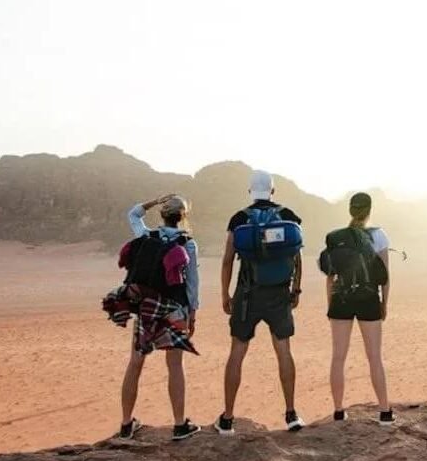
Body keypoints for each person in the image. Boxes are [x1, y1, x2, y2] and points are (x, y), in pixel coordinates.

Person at [216, 170, 304, 434]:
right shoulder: (288, 216)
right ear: (272, 191)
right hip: (279, 294)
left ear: (250, 191)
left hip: (247, 295)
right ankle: (291, 414)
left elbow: (227, 260)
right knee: (284, 351)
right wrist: (296, 290)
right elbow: (297, 258)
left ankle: (227, 419)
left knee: (237, 352)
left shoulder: (239, 218)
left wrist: (225, 294)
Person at [116, 193, 201, 441]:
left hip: (147, 308)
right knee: (175, 365)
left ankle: (126, 424)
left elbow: (133, 214)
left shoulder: (146, 236)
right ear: (182, 217)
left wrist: (154, 201)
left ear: (162, 215)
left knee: (135, 363)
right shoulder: (188, 244)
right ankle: (179, 425)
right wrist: (192, 313)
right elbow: (192, 283)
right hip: (175, 310)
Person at [323, 192, 394, 424]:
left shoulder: (336, 238)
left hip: (341, 299)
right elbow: (384, 276)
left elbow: (330, 277)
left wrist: (330, 304)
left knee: (338, 357)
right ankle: (384, 411)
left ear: (350, 210)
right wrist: (384, 304)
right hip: (368, 298)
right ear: (369, 210)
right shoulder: (378, 235)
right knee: (374, 357)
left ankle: (338, 411)